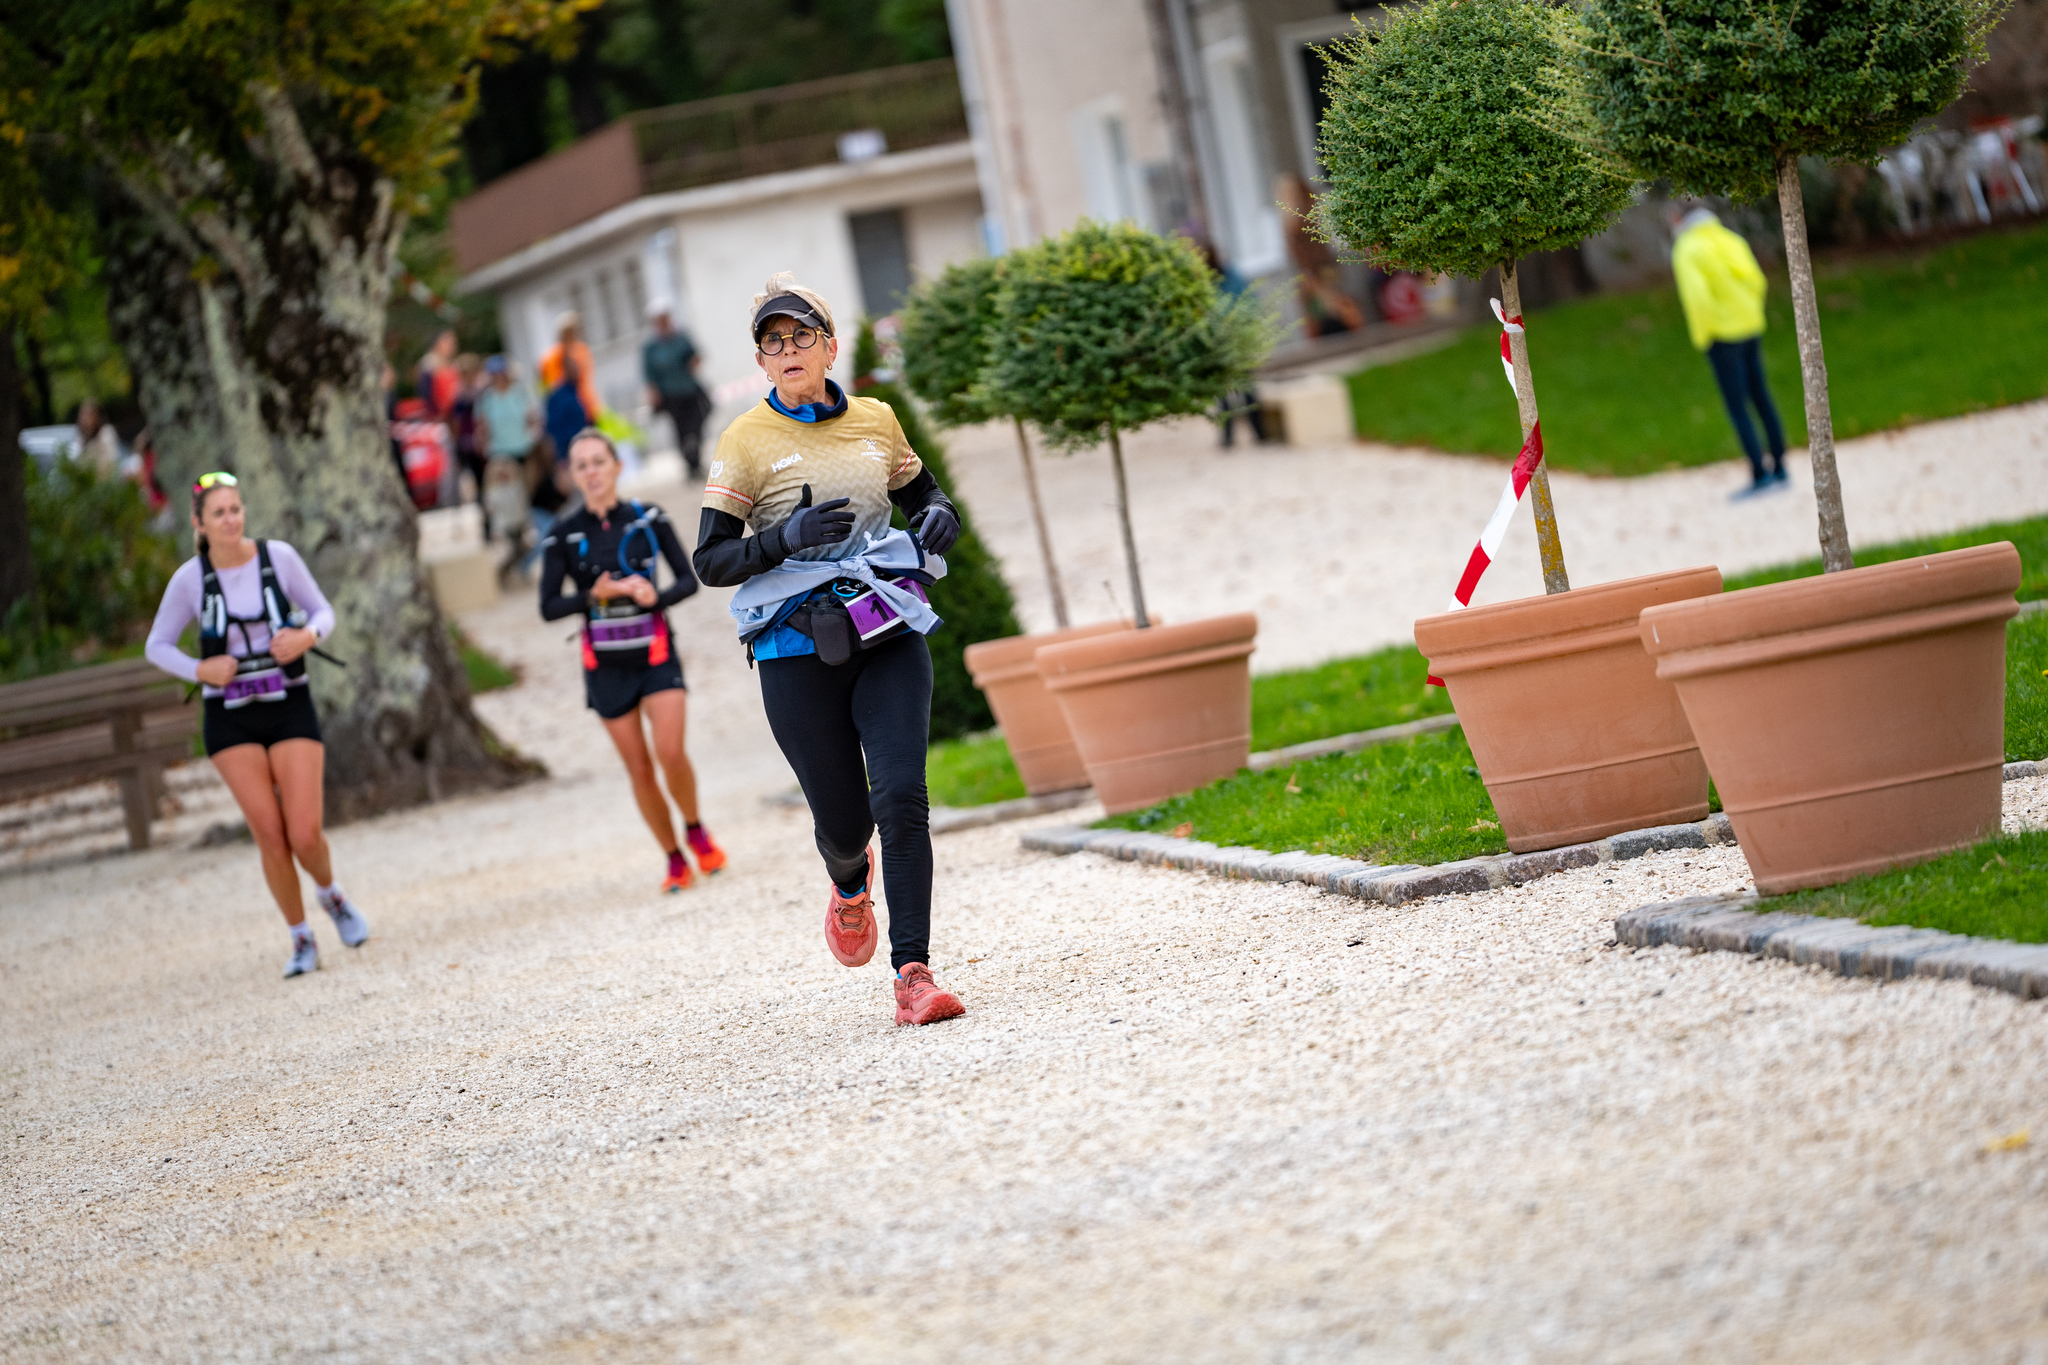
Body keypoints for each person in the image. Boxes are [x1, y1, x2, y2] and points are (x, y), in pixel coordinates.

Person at [692, 272, 967, 1028]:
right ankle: (849, 880)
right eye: (773, 341)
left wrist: (941, 513)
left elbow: (925, 496)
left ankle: (913, 972)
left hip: (886, 627)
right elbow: (710, 561)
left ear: (830, 347)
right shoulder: (744, 441)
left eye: (801, 336)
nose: (788, 349)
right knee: (847, 825)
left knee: (902, 797)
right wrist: (783, 538)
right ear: (762, 360)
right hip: (794, 648)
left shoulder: (877, 420)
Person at [144, 472, 370, 979]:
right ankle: (301, 938)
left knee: (304, 833)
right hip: (229, 717)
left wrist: (306, 637)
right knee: (270, 834)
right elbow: (156, 645)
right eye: (219, 513)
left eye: (236, 509)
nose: (231, 520)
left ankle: (331, 895)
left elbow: (323, 611)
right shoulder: (190, 580)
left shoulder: (277, 558)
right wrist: (200, 669)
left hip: (288, 704)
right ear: (199, 523)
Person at [539, 428, 726, 892]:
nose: (592, 472)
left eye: (599, 461)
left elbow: (688, 580)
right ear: (572, 475)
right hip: (605, 666)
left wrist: (653, 597)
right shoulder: (562, 534)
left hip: (656, 654)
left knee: (670, 753)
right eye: (581, 465)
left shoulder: (648, 518)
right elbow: (548, 606)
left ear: (617, 466)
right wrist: (592, 595)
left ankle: (696, 830)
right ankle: (674, 859)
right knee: (639, 768)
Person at [1669, 202, 1789, 498]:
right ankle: (1780, 466)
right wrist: (1750, 313)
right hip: (1750, 327)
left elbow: (1698, 299)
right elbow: (1756, 281)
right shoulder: (1731, 239)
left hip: (1722, 336)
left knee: (1737, 405)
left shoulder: (1687, 249)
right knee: (1761, 396)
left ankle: (1759, 472)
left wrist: (1704, 336)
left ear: (1679, 218)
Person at [474, 355, 541, 574]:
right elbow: (482, 428)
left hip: (523, 453)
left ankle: (524, 550)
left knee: (525, 500)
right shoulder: (487, 400)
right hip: (500, 456)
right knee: (506, 503)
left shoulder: (520, 393)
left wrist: (533, 438)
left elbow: (532, 419)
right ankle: (514, 546)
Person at [642, 306, 710, 478]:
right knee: (680, 428)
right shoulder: (651, 347)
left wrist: (695, 361)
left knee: (702, 414)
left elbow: (695, 356)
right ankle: (691, 464)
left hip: (689, 388)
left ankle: (693, 447)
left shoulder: (680, 338)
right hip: (670, 394)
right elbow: (649, 374)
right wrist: (653, 394)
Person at [539, 311, 603, 421]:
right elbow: (551, 387)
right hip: (565, 410)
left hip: (587, 405)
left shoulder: (582, 350)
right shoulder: (551, 357)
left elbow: (587, 379)